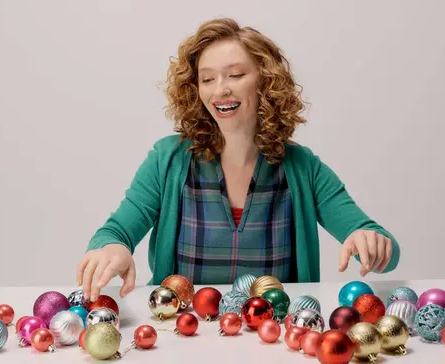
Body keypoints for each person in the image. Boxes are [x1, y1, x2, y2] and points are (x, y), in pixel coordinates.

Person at [76, 18, 400, 303]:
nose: (221, 90)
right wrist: (113, 249)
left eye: (235, 74)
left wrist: (368, 241)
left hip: (273, 335)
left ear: (266, 82)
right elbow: (114, 233)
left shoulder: (303, 167)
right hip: (183, 331)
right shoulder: (167, 159)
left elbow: (386, 247)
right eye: (207, 79)